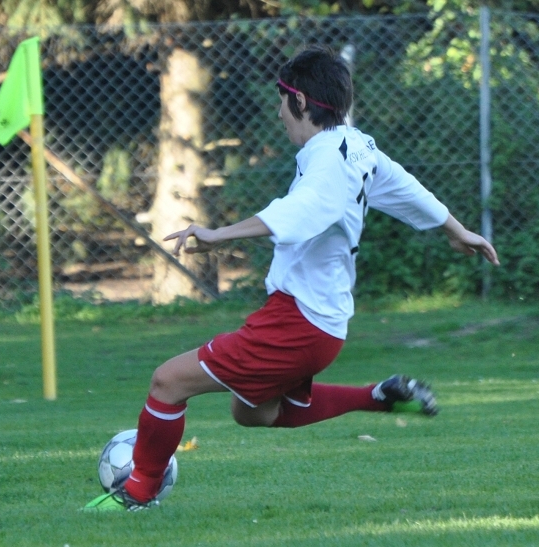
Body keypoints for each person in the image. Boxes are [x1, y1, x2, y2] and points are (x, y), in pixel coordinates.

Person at [84, 45, 499, 511]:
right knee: (252, 412)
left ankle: (137, 493)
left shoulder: (327, 159)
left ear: (300, 101)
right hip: (323, 324)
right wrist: (455, 229)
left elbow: (302, 211)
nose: (279, 112)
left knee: (167, 382)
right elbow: (402, 184)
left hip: (297, 321)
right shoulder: (355, 145)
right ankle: (380, 396)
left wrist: (218, 234)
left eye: (282, 100)